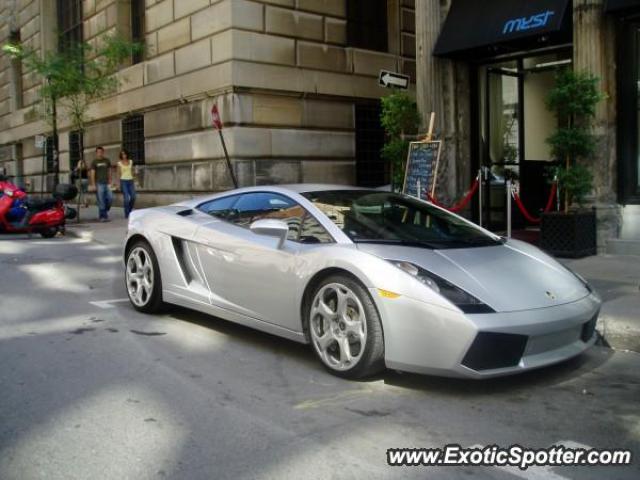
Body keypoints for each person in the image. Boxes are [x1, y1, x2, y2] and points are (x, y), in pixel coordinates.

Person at [90, 146, 113, 222]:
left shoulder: (107, 161)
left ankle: (104, 210)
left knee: (110, 198)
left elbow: (109, 171)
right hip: (99, 183)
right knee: (101, 200)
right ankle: (103, 216)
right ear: (96, 153)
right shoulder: (94, 162)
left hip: (107, 183)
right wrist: (93, 184)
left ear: (103, 152)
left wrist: (110, 180)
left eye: (101, 152)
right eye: (98, 152)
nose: (100, 153)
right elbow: (92, 173)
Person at [117, 149, 137, 218]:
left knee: (133, 196)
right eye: (122, 154)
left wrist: (135, 178)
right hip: (123, 181)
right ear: (121, 155)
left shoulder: (131, 161)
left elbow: (132, 171)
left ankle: (129, 210)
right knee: (126, 198)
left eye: (125, 154)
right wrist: (119, 184)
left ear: (127, 154)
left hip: (130, 180)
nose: (124, 156)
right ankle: (127, 214)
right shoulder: (119, 163)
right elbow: (119, 174)